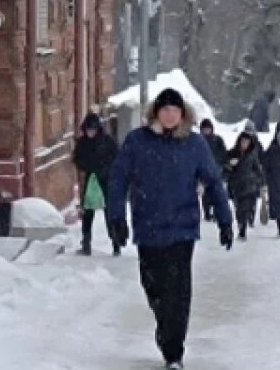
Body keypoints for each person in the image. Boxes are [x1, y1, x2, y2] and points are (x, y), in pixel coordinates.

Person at [109, 89, 234, 370]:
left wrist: (226, 220)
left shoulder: (194, 144)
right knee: (153, 288)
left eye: (174, 110)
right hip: (148, 228)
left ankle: (174, 351)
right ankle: (165, 329)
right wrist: (116, 218)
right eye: (164, 110)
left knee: (178, 293)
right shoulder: (137, 142)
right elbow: (118, 180)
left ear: (182, 114)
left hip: (182, 229)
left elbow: (213, 182)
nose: (169, 115)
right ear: (156, 113)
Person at [73, 112, 121, 256]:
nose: (90, 133)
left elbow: (117, 158)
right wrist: (87, 167)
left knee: (109, 212)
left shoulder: (107, 141)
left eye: (93, 129)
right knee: (88, 212)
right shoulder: (82, 143)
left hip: (107, 180)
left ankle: (116, 243)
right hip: (90, 179)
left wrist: (105, 169)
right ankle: (86, 243)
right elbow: (77, 159)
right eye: (88, 130)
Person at [226, 126, 265, 241]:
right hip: (236, 187)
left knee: (245, 208)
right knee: (238, 210)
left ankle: (243, 230)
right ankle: (241, 225)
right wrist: (230, 165)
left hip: (249, 187)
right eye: (242, 141)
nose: (244, 143)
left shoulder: (252, 156)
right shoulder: (232, 153)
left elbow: (258, 170)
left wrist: (262, 183)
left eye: (246, 141)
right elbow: (225, 169)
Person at [198, 118, 229, 222]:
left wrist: (223, 165)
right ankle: (207, 212)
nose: (206, 131)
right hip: (203, 170)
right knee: (205, 194)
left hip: (216, 169)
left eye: (208, 129)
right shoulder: (199, 141)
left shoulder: (217, 140)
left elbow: (223, 153)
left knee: (216, 193)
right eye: (204, 129)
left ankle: (216, 213)